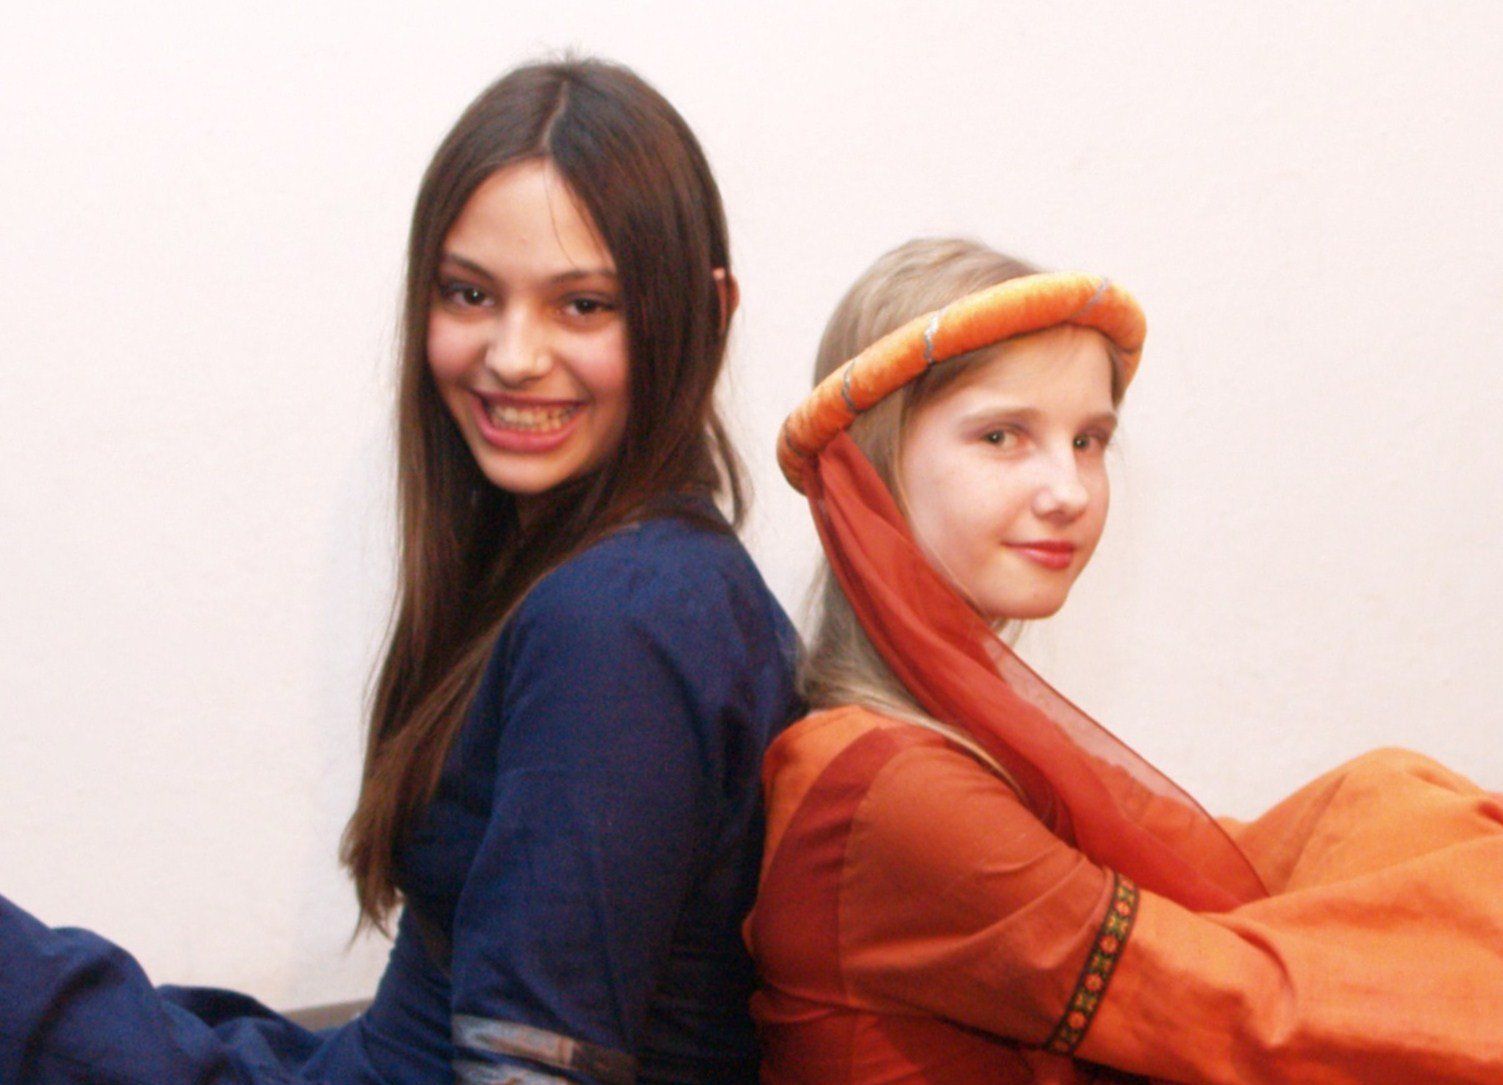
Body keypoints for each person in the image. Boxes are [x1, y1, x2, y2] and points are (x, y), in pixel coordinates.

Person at [0, 58, 798, 1085]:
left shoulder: (620, 619)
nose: (513, 354)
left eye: (582, 304)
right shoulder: (635, 575)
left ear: (709, 311)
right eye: (470, 293)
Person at [746, 238, 1503, 1083]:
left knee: (1388, 804)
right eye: (1001, 435)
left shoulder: (963, 739)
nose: (1067, 490)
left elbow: (1242, 865)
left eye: (1088, 440)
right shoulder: (895, 788)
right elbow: (1240, 1012)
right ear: (868, 463)